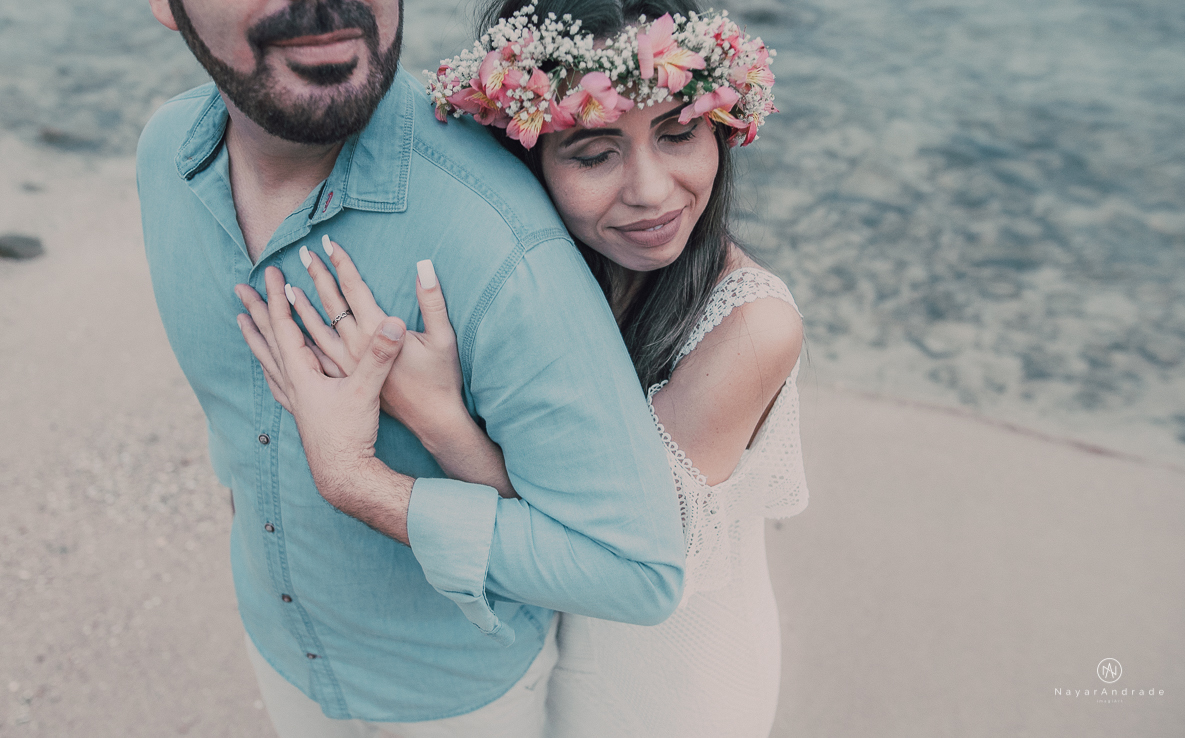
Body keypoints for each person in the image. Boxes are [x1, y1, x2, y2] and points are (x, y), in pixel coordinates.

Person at [237, 0, 809, 735]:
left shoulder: (750, 329)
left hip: (665, 671)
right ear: (525, 152)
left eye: (679, 133)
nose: (652, 190)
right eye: (596, 153)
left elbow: (600, 548)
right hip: (536, 647)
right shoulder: (536, 274)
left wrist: (437, 418)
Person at [136, 0, 688, 735]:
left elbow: (636, 571)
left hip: (451, 703)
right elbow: (233, 416)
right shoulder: (166, 156)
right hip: (277, 647)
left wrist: (355, 483)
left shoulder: (502, 242)